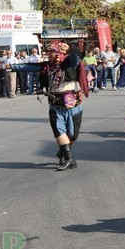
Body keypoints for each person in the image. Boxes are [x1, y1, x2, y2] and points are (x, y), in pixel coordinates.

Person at [45, 41, 85, 171]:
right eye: (48, 52)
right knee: (59, 130)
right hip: (56, 104)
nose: (49, 54)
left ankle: (63, 150)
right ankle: (70, 159)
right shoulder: (46, 66)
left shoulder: (69, 62)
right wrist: (10, 66)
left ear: (59, 52)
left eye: (52, 51)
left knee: (72, 135)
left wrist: (71, 49)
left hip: (74, 104)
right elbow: (28, 66)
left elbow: (77, 56)